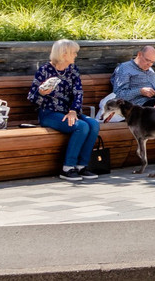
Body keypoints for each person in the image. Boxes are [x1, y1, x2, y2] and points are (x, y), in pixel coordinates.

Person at [28, 39, 102, 182]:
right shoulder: (44, 70)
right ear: (64, 53)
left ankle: (82, 166)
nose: (75, 55)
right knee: (81, 126)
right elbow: (32, 97)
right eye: (73, 53)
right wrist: (42, 93)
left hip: (69, 112)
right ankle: (68, 167)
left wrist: (74, 110)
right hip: (49, 113)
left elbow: (78, 92)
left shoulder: (72, 70)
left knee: (93, 124)